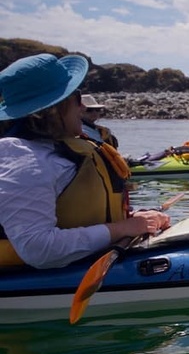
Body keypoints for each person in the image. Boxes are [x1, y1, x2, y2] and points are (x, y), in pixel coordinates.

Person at [0, 53, 170, 269]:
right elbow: (38, 249)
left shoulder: (58, 149)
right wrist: (122, 229)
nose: (83, 108)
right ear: (53, 109)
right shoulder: (22, 160)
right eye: (77, 97)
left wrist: (135, 219)